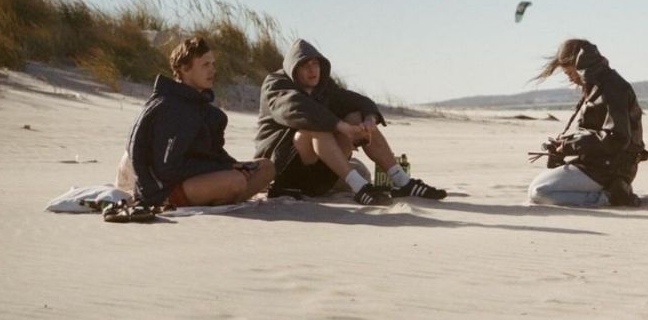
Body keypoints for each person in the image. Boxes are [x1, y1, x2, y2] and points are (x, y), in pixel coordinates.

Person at [254, 39, 446, 206]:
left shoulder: (324, 86)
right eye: (306, 66)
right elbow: (296, 109)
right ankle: (360, 187)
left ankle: (402, 181)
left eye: (316, 64)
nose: (313, 70)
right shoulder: (276, 84)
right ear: (294, 69)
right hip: (284, 173)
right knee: (313, 126)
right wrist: (342, 127)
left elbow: (355, 100)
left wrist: (369, 119)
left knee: (356, 116)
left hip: (322, 173)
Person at [127, 36, 275, 207]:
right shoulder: (171, 107)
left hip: (195, 178)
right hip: (162, 189)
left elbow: (214, 153)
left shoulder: (202, 107)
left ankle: (223, 196)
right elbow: (167, 168)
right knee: (235, 181)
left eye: (213, 64)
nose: (212, 70)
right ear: (184, 69)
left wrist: (233, 164)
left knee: (265, 167)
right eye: (205, 65)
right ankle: (222, 195)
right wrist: (221, 168)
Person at [528, 39, 648, 207]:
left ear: (578, 64)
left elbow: (617, 137)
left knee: (540, 192)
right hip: (599, 164)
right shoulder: (599, 85)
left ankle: (610, 198)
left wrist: (570, 145)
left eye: (568, 71)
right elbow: (595, 132)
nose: (569, 77)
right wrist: (563, 144)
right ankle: (614, 191)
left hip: (610, 168)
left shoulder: (612, 87)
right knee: (538, 188)